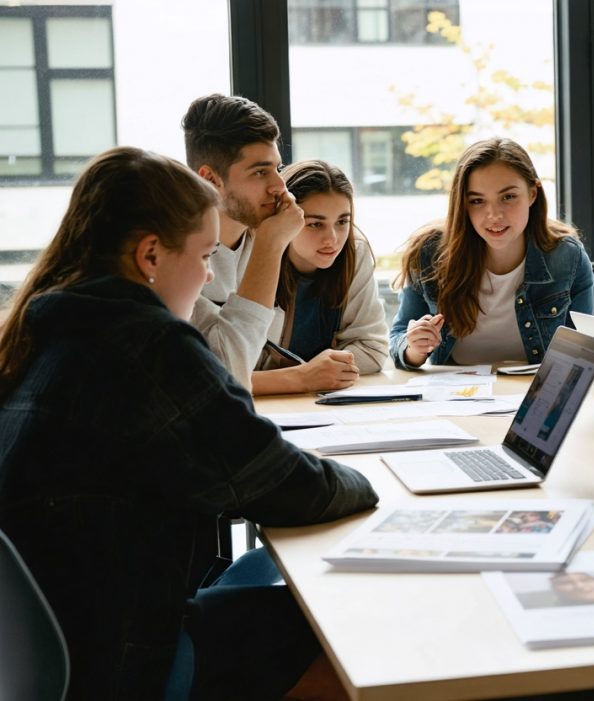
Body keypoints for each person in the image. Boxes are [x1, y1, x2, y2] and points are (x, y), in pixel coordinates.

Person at [0, 147, 379, 699]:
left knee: (258, 565)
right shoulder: (146, 343)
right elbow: (285, 486)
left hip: (70, 652)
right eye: (204, 256)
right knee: (345, 622)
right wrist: (370, 484)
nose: (206, 278)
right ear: (151, 254)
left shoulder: (42, 332)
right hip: (129, 662)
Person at [389, 137, 594, 369]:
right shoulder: (428, 253)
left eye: (508, 197)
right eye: (477, 201)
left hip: (534, 397)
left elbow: (581, 354)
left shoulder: (567, 257)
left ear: (533, 194)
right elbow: (398, 338)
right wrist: (415, 349)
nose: (494, 215)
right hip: (453, 396)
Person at [182, 93, 304, 390]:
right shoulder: (177, 257)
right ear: (210, 179)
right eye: (260, 172)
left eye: (277, 168)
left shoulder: (275, 228)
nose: (279, 185)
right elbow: (227, 376)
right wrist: (271, 246)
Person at [251, 159, 388, 395]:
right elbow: (226, 371)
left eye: (342, 222)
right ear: (285, 219)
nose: (332, 239)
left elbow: (373, 348)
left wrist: (318, 373)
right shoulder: (253, 258)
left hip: (318, 398)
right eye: (315, 224)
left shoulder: (354, 254)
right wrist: (306, 375)